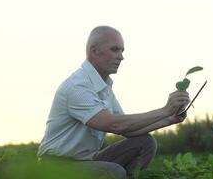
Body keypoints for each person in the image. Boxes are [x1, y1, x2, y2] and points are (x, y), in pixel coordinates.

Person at [37, 26, 190, 178]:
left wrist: (169, 119)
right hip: (55, 167)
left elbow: (128, 130)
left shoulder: (104, 88)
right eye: (115, 49)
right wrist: (164, 110)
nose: (121, 57)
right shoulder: (77, 86)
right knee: (114, 171)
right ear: (94, 51)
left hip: (86, 162)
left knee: (146, 142)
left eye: (122, 51)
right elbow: (114, 124)